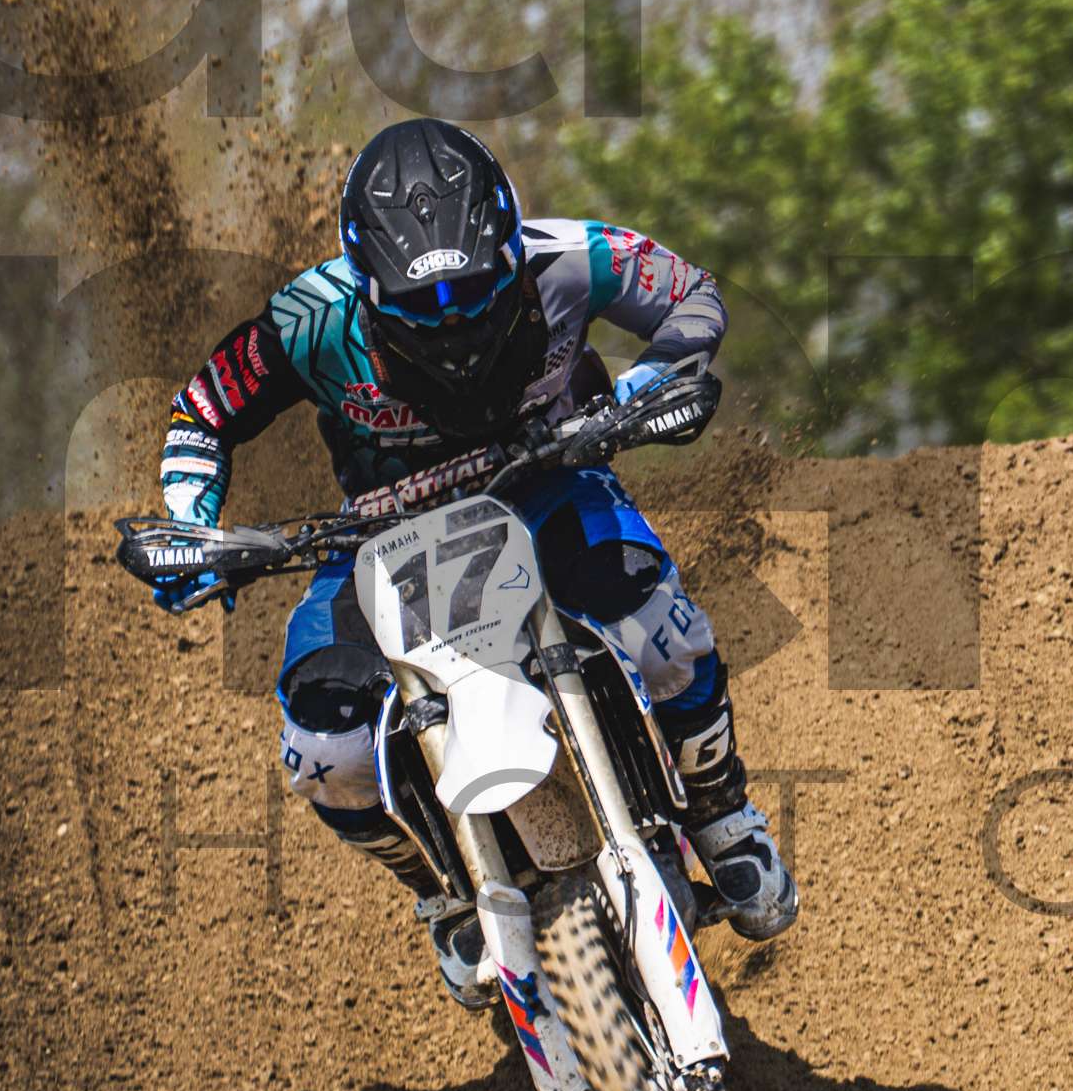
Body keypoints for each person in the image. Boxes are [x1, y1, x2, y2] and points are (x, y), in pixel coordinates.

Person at [151, 117, 798, 997]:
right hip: (380, 539)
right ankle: (443, 892)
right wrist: (193, 525)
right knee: (323, 748)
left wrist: (645, 388)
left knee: (659, 627)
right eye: (421, 310)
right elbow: (203, 409)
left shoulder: (572, 256)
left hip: (545, 481)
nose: (452, 323)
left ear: (508, 247)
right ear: (366, 287)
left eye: (473, 294)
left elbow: (692, 294)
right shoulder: (309, 319)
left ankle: (722, 814)